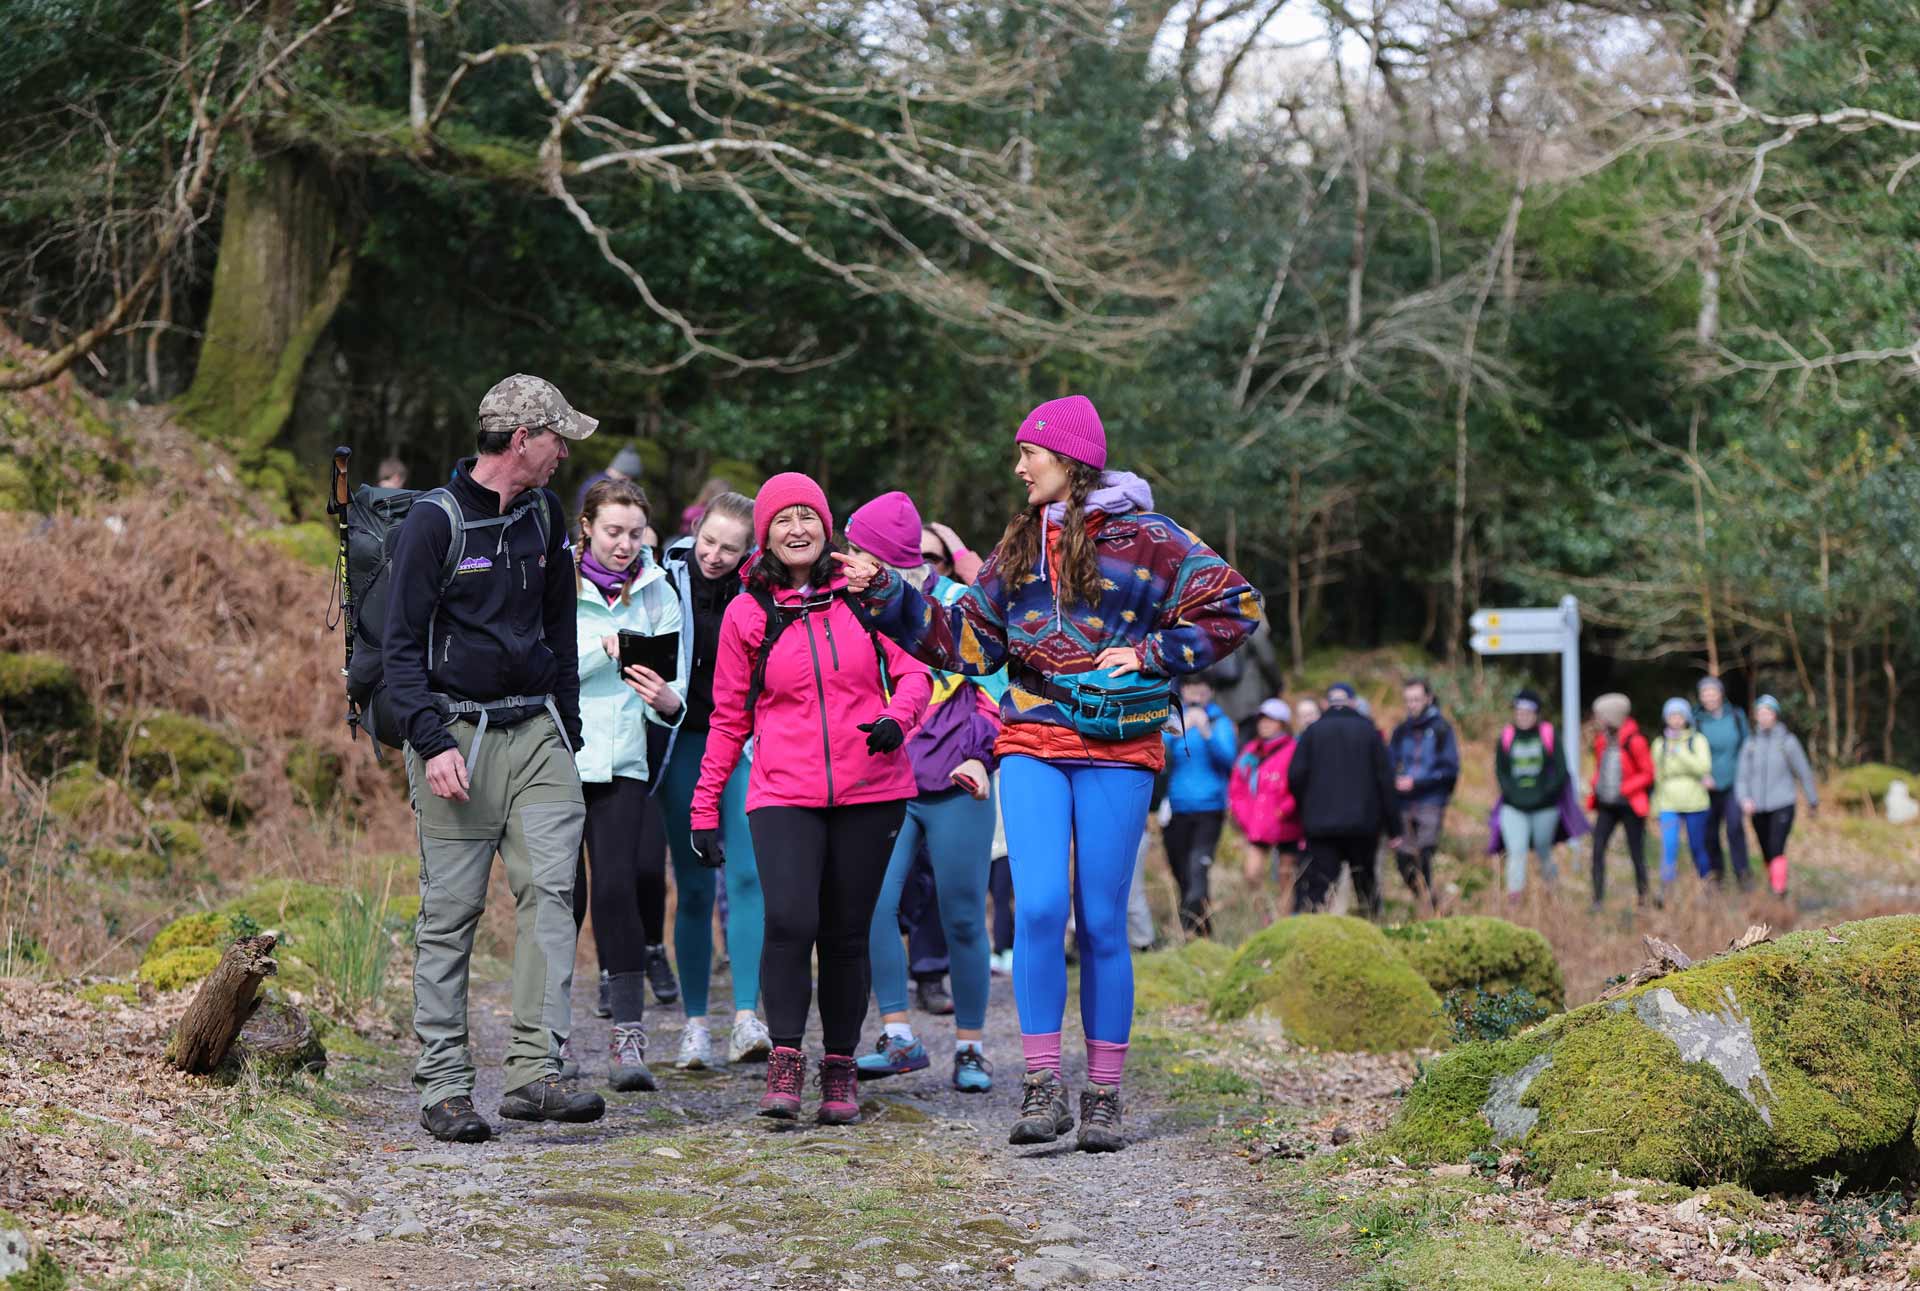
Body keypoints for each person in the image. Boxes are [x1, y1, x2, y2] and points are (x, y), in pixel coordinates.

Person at [840, 393, 1259, 1152]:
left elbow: (1237, 605)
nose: (1017, 466)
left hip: (1118, 745)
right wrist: (887, 594)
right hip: (1032, 736)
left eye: (1026, 453)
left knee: (1101, 919)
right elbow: (971, 643)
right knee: (1035, 908)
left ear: (1065, 457)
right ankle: (1041, 1087)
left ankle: (1103, 1094)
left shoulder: (1153, 540)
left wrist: (1153, 653)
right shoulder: (1019, 545)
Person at [383, 373, 603, 1143]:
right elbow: (396, 652)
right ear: (522, 440)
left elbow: (561, 636)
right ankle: (444, 1085)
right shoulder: (433, 525)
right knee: (452, 914)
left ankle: (533, 1073)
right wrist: (431, 740)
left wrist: (567, 732)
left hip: (537, 733)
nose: (564, 453)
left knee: (552, 894)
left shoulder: (545, 518)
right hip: (456, 739)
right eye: (558, 439)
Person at [689, 474, 932, 1126]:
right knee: (791, 920)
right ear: (763, 534)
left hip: (870, 787)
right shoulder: (748, 612)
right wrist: (704, 804)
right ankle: (787, 1059)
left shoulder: (861, 593)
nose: (797, 528)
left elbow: (917, 671)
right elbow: (726, 717)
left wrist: (898, 719)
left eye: (808, 516)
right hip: (782, 791)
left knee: (847, 934)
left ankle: (843, 1065)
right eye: (782, 519)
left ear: (827, 525)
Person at [843, 492, 1002, 1092]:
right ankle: (898, 1036)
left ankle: (971, 1046)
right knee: (874, 907)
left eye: (859, 550)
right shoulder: (846, 603)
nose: (849, 560)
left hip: (955, 778)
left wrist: (981, 756)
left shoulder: (959, 603)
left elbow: (995, 690)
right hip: (882, 776)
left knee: (962, 915)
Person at [570, 478, 686, 1092]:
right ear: (587, 525)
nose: (623, 544)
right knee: (563, 898)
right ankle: (549, 1040)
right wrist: (605, 653)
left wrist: (668, 700)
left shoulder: (658, 592)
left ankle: (628, 1038)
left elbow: (677, 690)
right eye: (613, 531)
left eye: (635, 533)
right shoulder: (556, 584)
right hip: (558, 759)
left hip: (623, 763)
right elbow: (539, 663)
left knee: (617, 890)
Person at [654, 491, 774, 1068]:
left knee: (749, 875)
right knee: (696, 885)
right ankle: (696, 1025)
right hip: (686, 739)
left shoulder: (764, 590)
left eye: (730, 548)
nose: (715, 556)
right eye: (709, 542)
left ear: (749, 549)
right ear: (694, 531)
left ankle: (748, 1016)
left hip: (747, 744)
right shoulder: (662, 575)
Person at [1288, 682, 1400, 916]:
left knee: (1319, 887)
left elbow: (1295, 777)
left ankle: (1310, 936)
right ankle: (1372, 927)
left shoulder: (1312, 732)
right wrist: (1394, 828)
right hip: (1363, 825)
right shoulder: (1369, 731)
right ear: (1353, 703)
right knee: (1365, 883)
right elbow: (1386, 781)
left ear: (1325, 704)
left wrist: (1307, 808)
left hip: (1321, 826)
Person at [1161, 673, 1240, 936]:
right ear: (1183, 691)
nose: (1196, 694)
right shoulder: (1170, 720)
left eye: (1202, 688)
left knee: (1198, 867)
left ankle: (1187, 929)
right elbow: (1158, 757)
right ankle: (1203, 931)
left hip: (1209, 808)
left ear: (1210, 692)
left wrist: (1207, 732)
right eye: (1191, 688)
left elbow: (1230, 760)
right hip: (1176, 808)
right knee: (1181, 870)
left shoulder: (1220, 723)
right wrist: (1178, 732)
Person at [1736, 696, 1819, 898]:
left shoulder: (1787, 742)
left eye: (1768, 713)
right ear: (1756, 716)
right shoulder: (1750, 743)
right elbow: (1741, 777)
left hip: (1783, 803)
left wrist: (1812, 800)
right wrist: (1744, 799)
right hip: (1757, 807)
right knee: (1765, 849)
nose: (1764, 717)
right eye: (1760, 713)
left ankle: (1778, 890)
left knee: (1776, 846)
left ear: (1775, 715)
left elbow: (1803, 771)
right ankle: (1775, 882)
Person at [1492, 689, 1567, 904]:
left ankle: (1554, 899)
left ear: (1536, 713)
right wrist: (1512, 794)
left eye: (1527, 711)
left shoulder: (1548, 733)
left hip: (1545, 807)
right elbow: (1501, 771)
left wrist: (1545, 794)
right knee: (1516, 852)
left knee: (1544, 851)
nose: (1522, 715)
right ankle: (1514, 902)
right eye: (1518, 711)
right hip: (1514, 806)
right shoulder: (1506, 735)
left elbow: (1562, 771)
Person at [1387, 678, 1458, 906]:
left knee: (1425, 853)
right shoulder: (1401, 731)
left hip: (1431, 800)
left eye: (1416, 699)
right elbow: (1391, 762)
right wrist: (1395, 780)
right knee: (1403, 858)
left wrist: (1418, 782)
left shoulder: (1441, 729)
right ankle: (1426, 900)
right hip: (1404, 803)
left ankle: (1430, 905)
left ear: (1428, 698)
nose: (1412, 704)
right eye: (1408, 700)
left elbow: (1450, 768)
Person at [1228, 697, 1301, 910]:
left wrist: (1283, 810)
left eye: (1271, 720)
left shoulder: (1294, 749)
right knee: (1251, 873)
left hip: (1287, 824)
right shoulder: (1250, 751)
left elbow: (1299, 784)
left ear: (1283, 723)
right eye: (1262, 719)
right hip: (1258, 824)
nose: (1265, 724)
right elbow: (1237, 786)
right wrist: (1245, 816)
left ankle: (1284, 921)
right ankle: (1265, 915)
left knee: (1286, 878)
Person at [1586, 692, 1654, 908]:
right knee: (1597, 849)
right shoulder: (1602, 740)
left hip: (1630, 805)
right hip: (1606, 805)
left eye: (1600, 716)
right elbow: (1601, 767)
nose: (1597, 720)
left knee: (1636, 853)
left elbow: (1648, 773)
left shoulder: (1635, 741)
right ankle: (1597, 900)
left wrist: (1625, 788)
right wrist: (1596, 785)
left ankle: (1643, 899)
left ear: (1612, 716)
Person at [1651, 697, 1714, 897]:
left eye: (1679, 716)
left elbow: (1703, 768)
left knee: (1697, 847)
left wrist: (1680, 752)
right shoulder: (1659, 744)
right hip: (1668, 803)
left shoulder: (1698, 741)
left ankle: (1706, 886)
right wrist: (1655, 805)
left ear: (1686, 718)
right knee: (1669, 848)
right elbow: (1657, 776)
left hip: (1696, 803)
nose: (1675, 720)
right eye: (1671, 716)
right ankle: (1666, 891)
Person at [1694, 676, 1752, 888]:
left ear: (1721, 694)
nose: (1709, 696)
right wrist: (1701, 775)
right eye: (1705, 693)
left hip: (1734, 783)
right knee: (1710, 832)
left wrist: (1748, 779)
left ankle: (1743, 875)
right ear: (1700, 697)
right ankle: (1717, 876)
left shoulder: (1736, 716)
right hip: (1707, 787)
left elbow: (1748, 748)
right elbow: (1690, 752)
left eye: (1712, 692)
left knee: (1735, 828)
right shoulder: (1696, 720)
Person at [573, 443, 644, 516]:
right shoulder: (605, 487)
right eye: (631, 479)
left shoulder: (596, 480)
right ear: (627, 477)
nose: (628, 483)